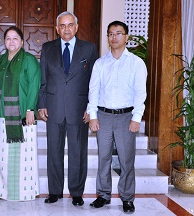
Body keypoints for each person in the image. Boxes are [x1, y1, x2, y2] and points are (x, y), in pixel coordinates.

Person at [37, 11, 98, 206]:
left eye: (70, 25)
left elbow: (93, 83)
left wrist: (91, 108)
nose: (66, 29)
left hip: (79, 109)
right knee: (53, 150)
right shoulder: (47, 48)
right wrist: (42, 104)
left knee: (78, 152)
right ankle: (54, 191)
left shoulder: (89, 49)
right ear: (57, 29)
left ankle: (77, 192)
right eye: (62, 26)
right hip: (53, 108)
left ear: (76, 27)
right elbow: (43, 80)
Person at [87, 21, 147, 213]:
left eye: (118, 33)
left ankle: (127, 197)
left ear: (126, 37)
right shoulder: (100, 63)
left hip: (125, 116)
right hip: (103, 116)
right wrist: (93, 116)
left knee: (126, 159)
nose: (114, 37)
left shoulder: (136, 63)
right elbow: (93, 91)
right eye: (110, 34)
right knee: (103, 157)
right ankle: (103, 195)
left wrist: (136, 117)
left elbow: (140, 93)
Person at [0, 26, 41, 201]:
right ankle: (2, 191)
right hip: (0, 117)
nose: (11, 41)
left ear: (21, 41)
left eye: (15, 38)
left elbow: (34, 85)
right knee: (1, 157)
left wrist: (30, 109)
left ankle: (24, 192)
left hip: (22, 116)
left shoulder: (29, 60)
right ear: (4, 42)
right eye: (8, 38)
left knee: (23, 158)